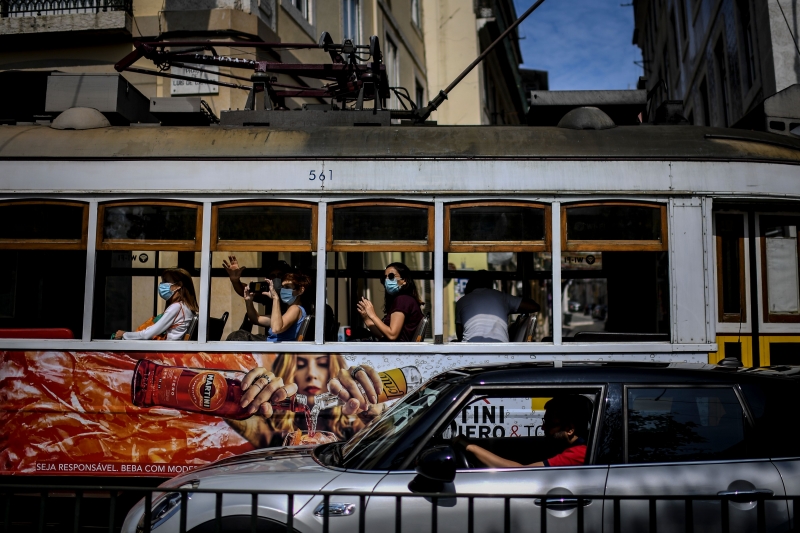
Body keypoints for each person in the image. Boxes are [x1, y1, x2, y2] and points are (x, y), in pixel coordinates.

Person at [227, 355, 384, 447]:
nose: (311, 375)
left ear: (333, 371)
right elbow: (250, 426)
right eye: (300, 365)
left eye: (322, 364)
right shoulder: (270, 431)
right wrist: (240, 396)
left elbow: (390, 444)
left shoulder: (352, 432)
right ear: (287, 372)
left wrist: (372, 407)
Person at [453, 395, 591, 468]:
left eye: (549, 423)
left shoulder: (578, 454)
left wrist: (470, 447)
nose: (543, 428)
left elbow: (519, 471)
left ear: (570, 429)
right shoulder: (574, 448)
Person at [455, 270, 540, 342]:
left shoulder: (462, 301)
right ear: (490, 284)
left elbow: (460, 336)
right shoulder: (501, 297)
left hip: (470, 352)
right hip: (501, 351)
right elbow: (534, 306)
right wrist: (512, 308)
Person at [114, 268, 198, 340]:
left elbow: (148, 334)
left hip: (167, 353)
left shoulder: (177, 307)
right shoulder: (185, 307)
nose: (162, 285)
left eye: (166, 281)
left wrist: (124, 334)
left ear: (178, 285)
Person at [356, 262, 424, 342]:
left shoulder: (402, 300)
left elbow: (392, 335)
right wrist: (367, 319)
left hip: (398, 352)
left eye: (391, 276)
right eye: (384, 278)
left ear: (404, 280)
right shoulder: (402, 300)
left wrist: (373, 315)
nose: (387, 280)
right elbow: (383, 335)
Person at [243, 269, 309, 342]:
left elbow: (276, 329)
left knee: (238, 335)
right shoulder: (287, 313)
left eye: (287, 287)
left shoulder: (295, 308)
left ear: (300, 291)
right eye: (282, 287)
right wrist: (248, 301)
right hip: (272, 347)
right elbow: (256, 319)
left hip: (279, 351)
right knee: (240, 335)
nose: (283, 290)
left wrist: (275, 298)